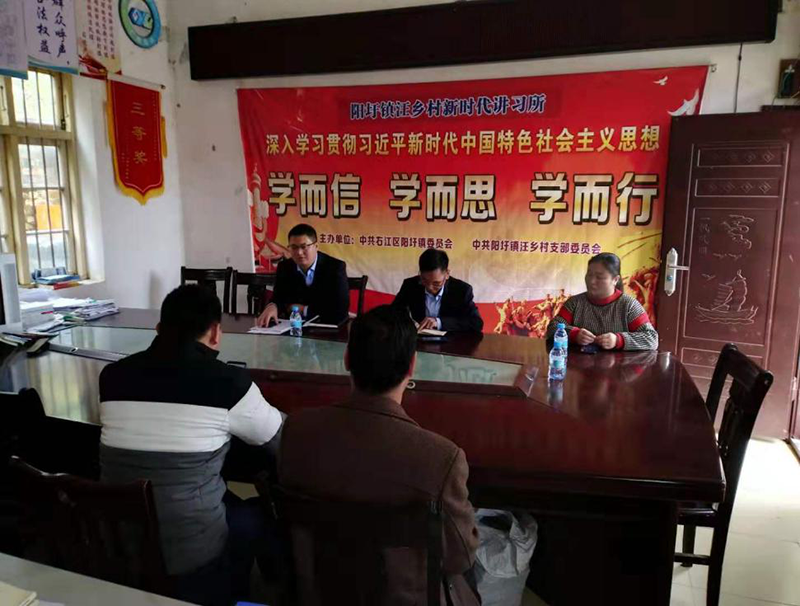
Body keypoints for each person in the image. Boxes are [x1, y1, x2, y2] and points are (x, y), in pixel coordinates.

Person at [279, 305, 480, 606]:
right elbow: (460, 557)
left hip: (319, 593)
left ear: (347, 359)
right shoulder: (442, 459)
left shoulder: (297, 430)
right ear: (412, 366)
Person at [99, 285, 285, 606]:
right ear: (215, 333)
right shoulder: (229, 383)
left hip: (120, 546)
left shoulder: (112, 377)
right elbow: (280, 439)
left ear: (158, 329)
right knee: (258, 514)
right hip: (191, 557)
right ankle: (233, 592)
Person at [546, 252, 658, 351]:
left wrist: (618, 340)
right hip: (578, 366)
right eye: (589, 275)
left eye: (599, 277)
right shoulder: (575, 303)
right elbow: (552, 328)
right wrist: (574, 334)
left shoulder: (629, 306)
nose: (591, 281)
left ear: (615, 279)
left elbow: (651, 339)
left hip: (618, 367)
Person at [256, 223, 349, 326]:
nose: (299, 252)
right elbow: (279, 297)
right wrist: (272, 306)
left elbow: (340, 309)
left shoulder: (335, 268)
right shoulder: (285, 267)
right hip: (293, 328)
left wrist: (304, 310)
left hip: (327, 328)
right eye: (294, 247)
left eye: (304, 247)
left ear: (316, 246)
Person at [392, 248, 484, 332]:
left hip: (451, 342)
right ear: (420, 273)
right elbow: (394, 312)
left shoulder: (461, 290)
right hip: (419, 339)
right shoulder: (410, 285)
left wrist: (439, 322)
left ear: (447, 274)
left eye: (436, 283)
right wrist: (408, 323)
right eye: (424, 280)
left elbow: (476, 323)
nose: (429, 287)